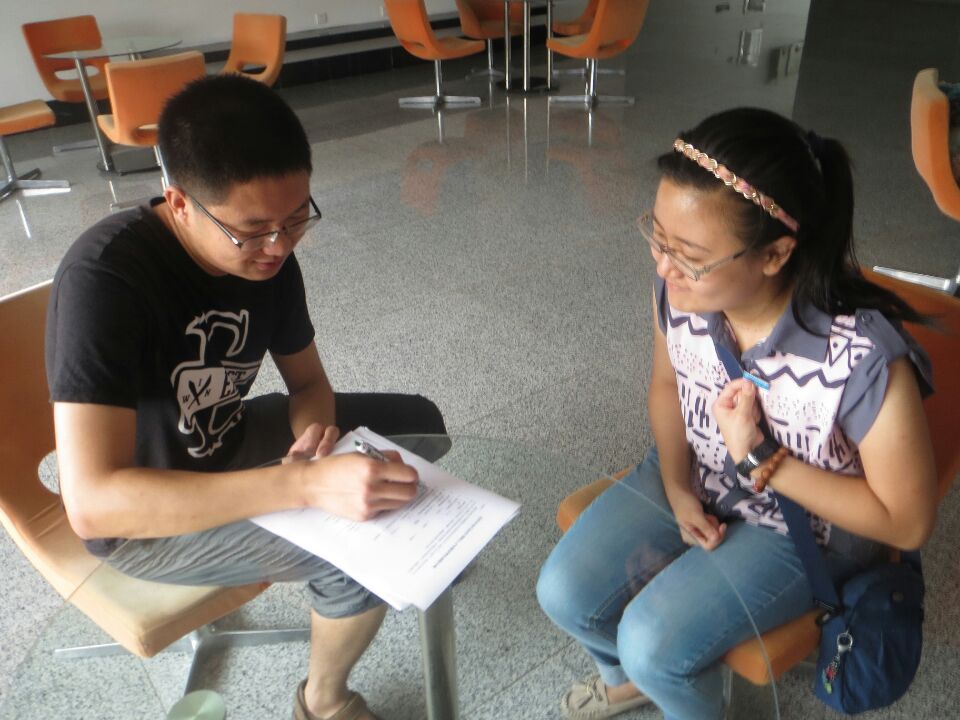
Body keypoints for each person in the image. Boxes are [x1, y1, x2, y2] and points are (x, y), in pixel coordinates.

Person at [45, 74, 447, 720]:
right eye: (252, 230)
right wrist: (304, 487)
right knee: (355, 552)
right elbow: (93, 506)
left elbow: (308, 384)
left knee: (420, 422)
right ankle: (323, 701)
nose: (278, 247)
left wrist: (314, 441)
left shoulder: (271, 260)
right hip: (145, 521)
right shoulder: (106, 279)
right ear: (179, 203)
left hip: (225, 443)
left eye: (296, 218)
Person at [536, 107, 938, 720]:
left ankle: (671, 685)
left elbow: (905, 525)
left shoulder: (862, 359)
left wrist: (761, 459)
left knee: (652, 644)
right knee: (563, 592)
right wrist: (676, 488)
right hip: (699, 471)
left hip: (806, 524)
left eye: (689, 255)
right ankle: (640, 682)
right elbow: (667, 387)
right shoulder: (679, 293)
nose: (663, 267)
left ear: (774, 254)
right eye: (658, 237)